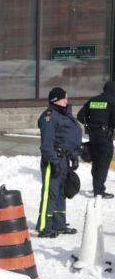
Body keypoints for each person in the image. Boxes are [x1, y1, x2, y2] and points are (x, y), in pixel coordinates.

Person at [36, 87, 82, 238]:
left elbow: (69, 138)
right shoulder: (49, 117)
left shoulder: (64, 115)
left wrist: (74, 156)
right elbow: (46, 144)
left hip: (65, 159)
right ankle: (44, 227)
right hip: (53, 159)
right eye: (64, 98)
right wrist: (54, 162)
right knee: (51, 193)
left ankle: (59, 224)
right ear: (55, 100)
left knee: (62, 192)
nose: (67, 100)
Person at [76, 81, 115, 199]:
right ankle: (99, 191)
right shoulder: (112, 101)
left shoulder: (93, 100)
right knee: (103, 162)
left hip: (93, 136)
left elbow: (80, 116)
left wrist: (89, 125)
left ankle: (96, 187)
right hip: (105, 136)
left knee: (96, 161)